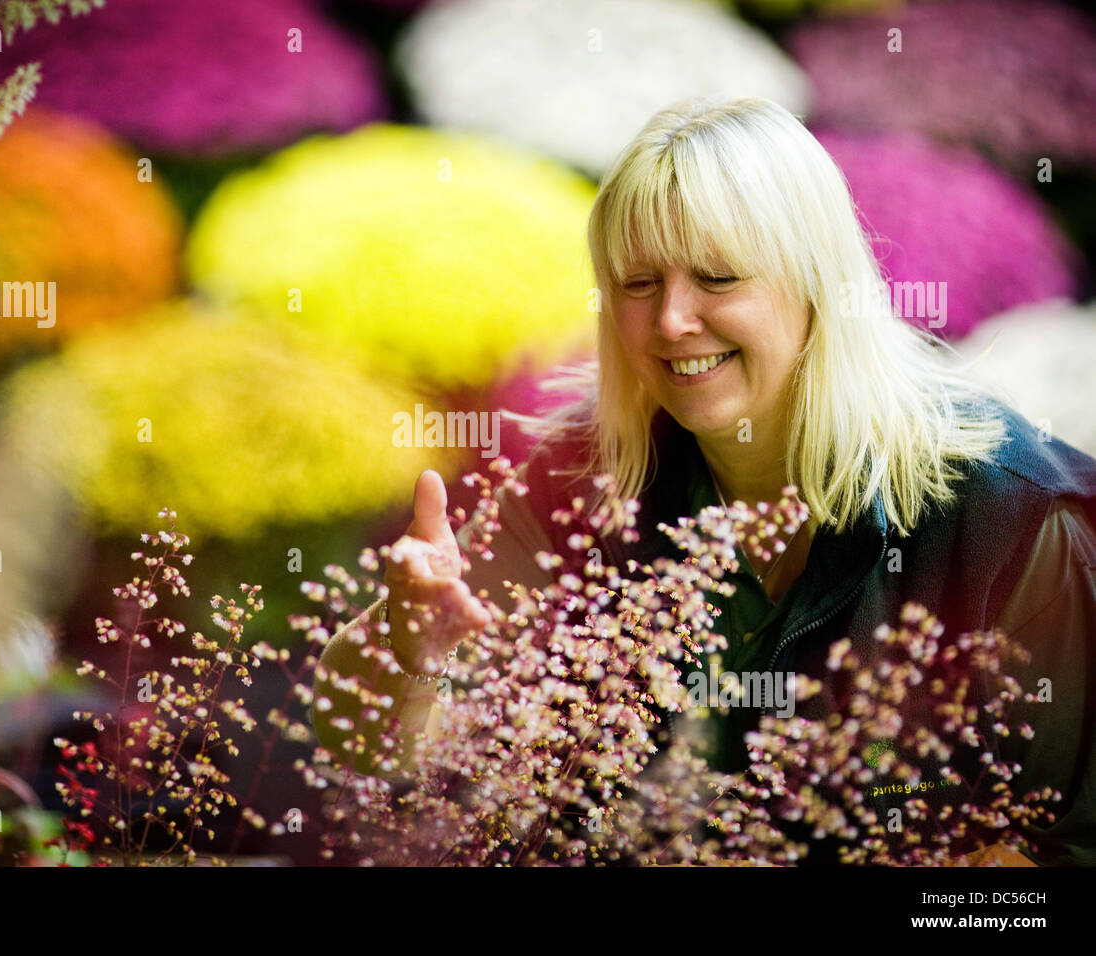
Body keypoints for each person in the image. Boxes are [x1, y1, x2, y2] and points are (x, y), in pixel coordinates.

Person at [312, 96, 1096, 866]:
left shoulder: (1010, 517)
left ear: (816, 285)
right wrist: (407, 651)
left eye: (717, 278)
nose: (671, 322)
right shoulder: (584, 479)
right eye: (638, 283)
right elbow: (369, 752)